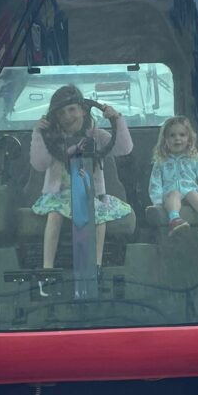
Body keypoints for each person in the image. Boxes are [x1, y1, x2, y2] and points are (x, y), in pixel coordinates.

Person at [30, 84, 133, 270]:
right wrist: (39, 133)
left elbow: (124, 148)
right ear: (55, 118)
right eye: (61, 113)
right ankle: (47, 268)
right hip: (60, 195)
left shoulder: (96, 135)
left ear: (84, 110)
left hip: (90, 195)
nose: (67, 116)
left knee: (98, 215)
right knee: (54, 215)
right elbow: (39, 163)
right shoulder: (51, 139)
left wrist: (116, 119)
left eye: (72, 109)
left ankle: (96, 266)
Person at [149, 116, 198, 235]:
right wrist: (157, 202)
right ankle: (175, 219)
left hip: (190, 194)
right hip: (169, 198)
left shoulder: (194, 160)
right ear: (165, 140)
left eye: (182, 135)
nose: (177, 138)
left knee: (193, 194)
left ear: (189, 139)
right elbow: (155, 183)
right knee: (174, 194)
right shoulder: (161, 162)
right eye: (172, 135)